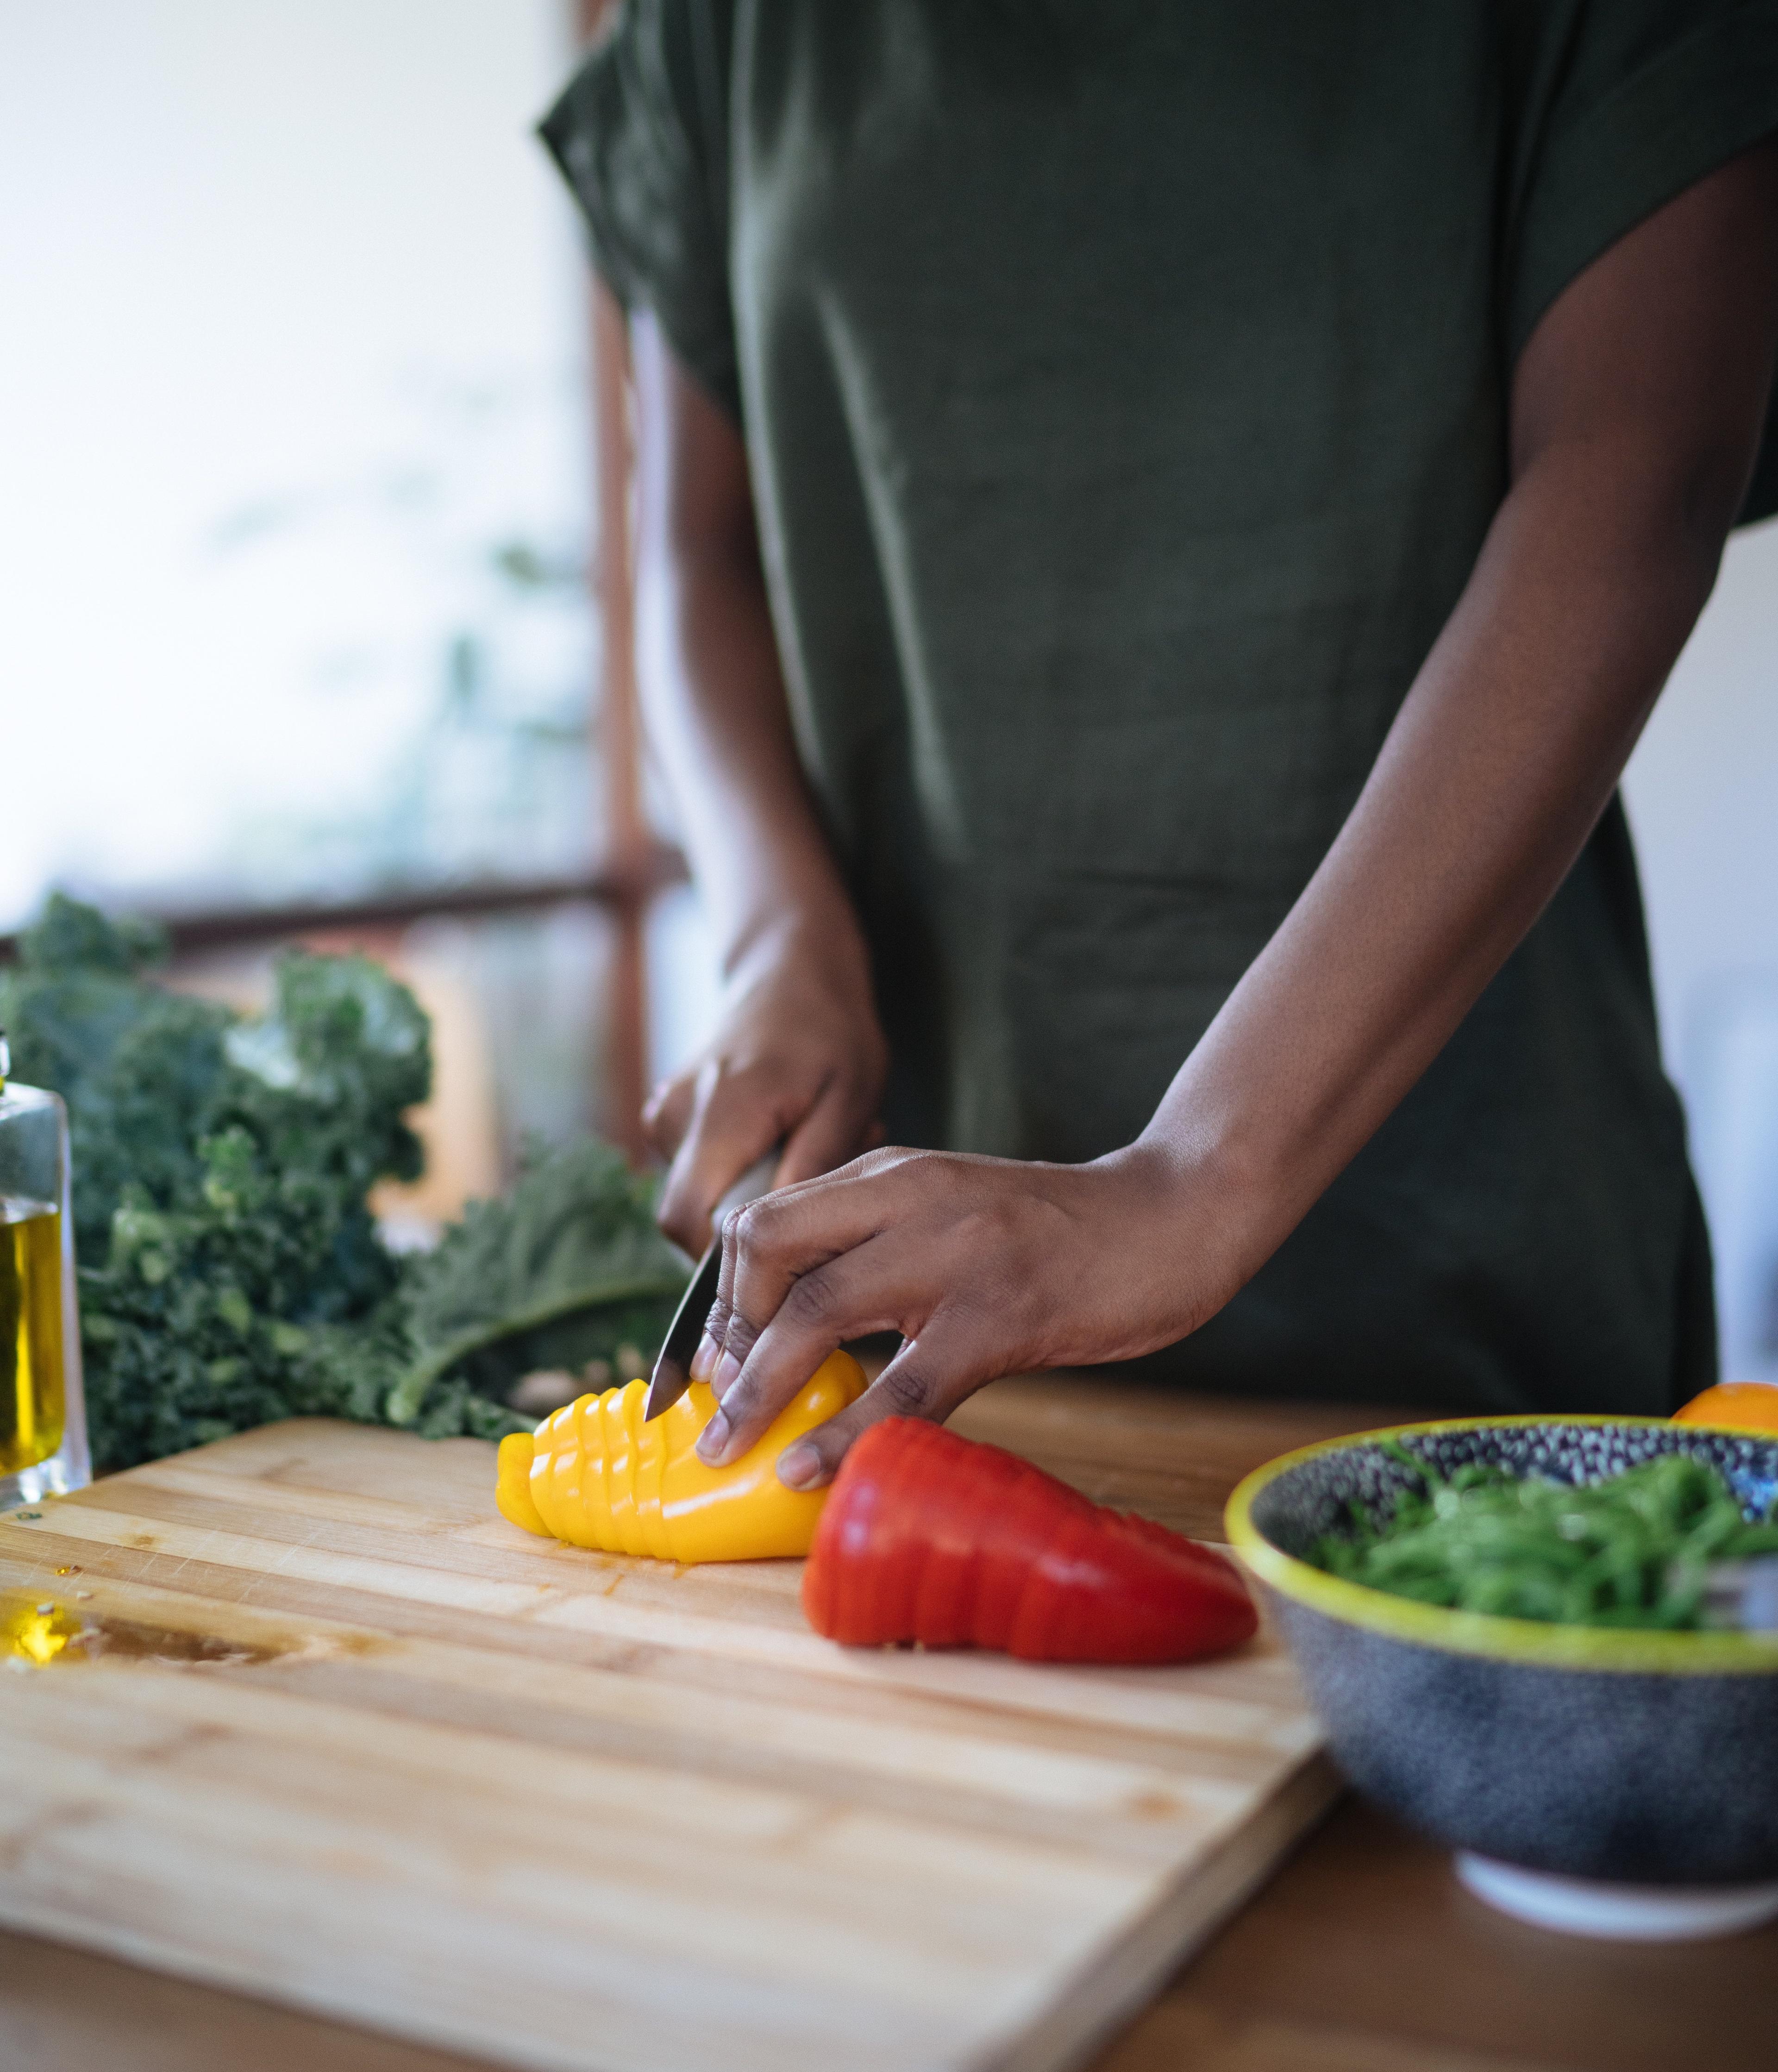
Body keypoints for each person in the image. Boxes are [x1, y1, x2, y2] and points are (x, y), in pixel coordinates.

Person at [541, 3, 1778, 1491]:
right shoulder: (723, 29)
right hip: (925, 1360)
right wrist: (777, 930)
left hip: (1468, 1291)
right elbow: (691, 558)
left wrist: (1191, 1181)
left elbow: (1638, 481)